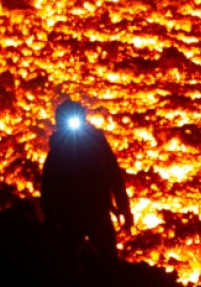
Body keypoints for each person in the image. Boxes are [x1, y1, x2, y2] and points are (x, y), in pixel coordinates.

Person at [41, 99, 132, 285]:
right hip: (79, 213)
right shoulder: (63, 149)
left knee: (102, 261)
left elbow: (113, 174)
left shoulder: (90, 144)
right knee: (76, 262)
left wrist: (124, 208)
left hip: (90, 211)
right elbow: (50, 186)